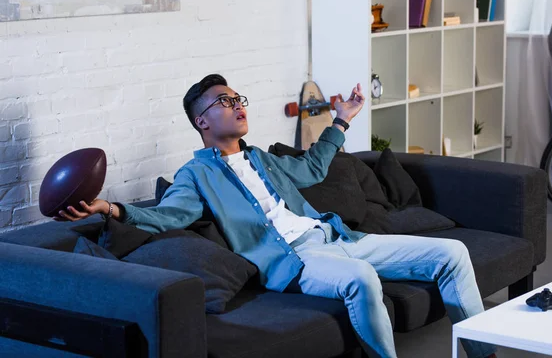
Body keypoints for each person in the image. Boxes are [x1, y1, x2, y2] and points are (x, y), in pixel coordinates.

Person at [57, 74, 497, 358]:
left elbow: (312, 168)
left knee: (452, 253)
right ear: (202, 121)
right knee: (360, 278)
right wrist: (111, 208)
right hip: (294, 260)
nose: (238, 104)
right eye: (224, 102)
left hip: (336, 237)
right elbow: (169, 216)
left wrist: (341, 121)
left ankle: (483, 354)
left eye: (237, 97)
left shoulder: (265, 160)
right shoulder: (195, 175)